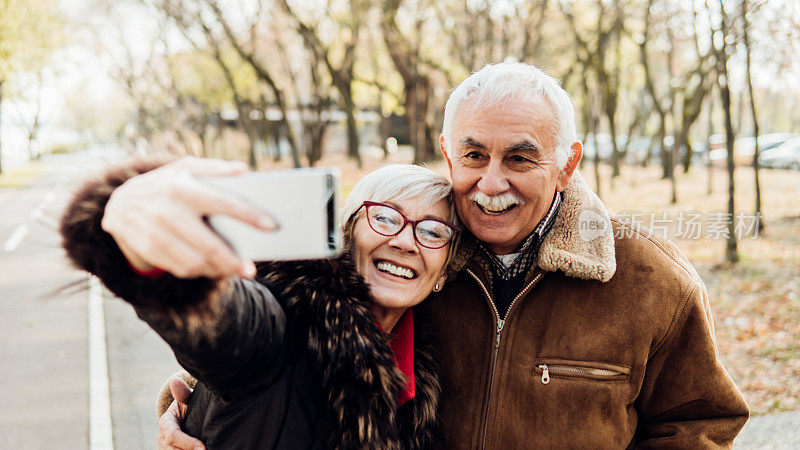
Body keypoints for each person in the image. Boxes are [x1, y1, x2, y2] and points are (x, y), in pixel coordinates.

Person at [160, 61, 749, 448]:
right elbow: (298, 337)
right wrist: (197, 400)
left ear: (567, 164)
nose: (492, 184)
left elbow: (700, 422)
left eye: (520, 159)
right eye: (473, 156)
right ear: (447, 153)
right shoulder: (415, 259)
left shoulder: (650, 282)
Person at [60, 159, 459, 448]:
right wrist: (138, 240)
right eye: (386, 219)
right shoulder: (284, 319)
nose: (406, 241)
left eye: (432, 231)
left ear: (443, 272)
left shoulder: (428, 378)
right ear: (348, 235)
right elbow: (225, 320)